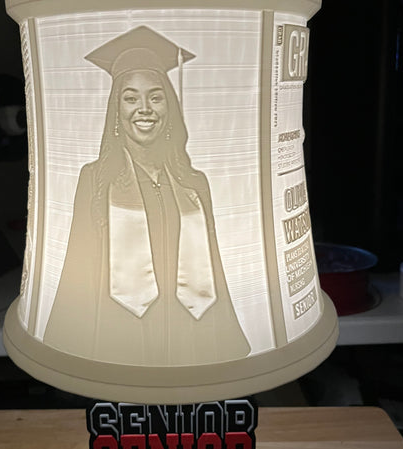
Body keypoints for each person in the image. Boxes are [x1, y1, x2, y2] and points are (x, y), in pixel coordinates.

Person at [43, 26, 250, 365]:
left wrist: (225, 346)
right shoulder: (96, 180)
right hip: (121, 337)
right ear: (116, 110)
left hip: (190, 336)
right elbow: (78, 269)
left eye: (155, 97)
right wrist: (72, 351)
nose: (144, 109)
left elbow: (213, 274)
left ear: (170, 108)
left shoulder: (194, 184)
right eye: (130, 98)